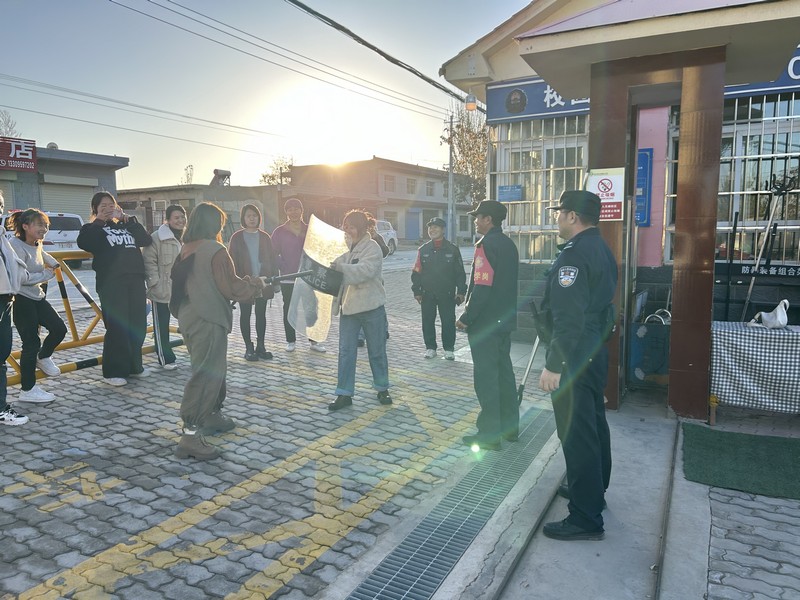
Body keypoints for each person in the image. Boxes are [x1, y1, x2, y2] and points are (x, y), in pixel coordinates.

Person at [538, 190, 618, 542]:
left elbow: (569, 319)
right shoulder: (600, 247)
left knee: (577, 435)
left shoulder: (574, 256)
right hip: (593, 352)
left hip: (573, 356)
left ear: (572, 216)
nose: (557, 219)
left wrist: (554, 365)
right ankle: (594, 490)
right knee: (594, 424)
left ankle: (585, 517)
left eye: (560, 213)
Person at [170, 202, 266, 460]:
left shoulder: (187, 248)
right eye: (221, 223)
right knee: (205, 375)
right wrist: (255, 284)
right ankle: (190, 436)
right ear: (214, 224)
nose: (222, 228)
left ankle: (212, 415)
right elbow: (232, 287)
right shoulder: (215, 250)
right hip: (208, 318)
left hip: (190, 316)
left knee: (212, 369)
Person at [456, 200, 519, 451]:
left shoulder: (485, 245)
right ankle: (510, 429)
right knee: (504, 375)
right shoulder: (508, 244)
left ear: (488, 219)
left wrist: (466, 317)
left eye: (478, 217)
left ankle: (489, 434)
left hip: (486, 324)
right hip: (504, 322)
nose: (475, 221)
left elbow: (481, 287)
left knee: (487, 379)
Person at [77, 191, 152, 387]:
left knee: (137, 325)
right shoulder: (92, 228)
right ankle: (114, 371)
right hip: (112, 283)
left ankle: (134, 366)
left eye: (111, 205)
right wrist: (100, 221)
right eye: (103, 206)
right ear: (95, 209)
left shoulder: (125, 225)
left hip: (135, 280)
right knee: (118, 327)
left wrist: (128, 219)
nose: (108, 209)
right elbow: (85, 243)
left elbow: (145, 240)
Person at [328, 209, 392, 411]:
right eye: (345, 226)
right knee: (346, 352)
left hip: (372, 307)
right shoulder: (343, 247)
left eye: (352, 227)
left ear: (363, 228)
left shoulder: (372, 247)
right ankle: (344, 393)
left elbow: (365, 271)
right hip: (349, 308)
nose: (347, 230)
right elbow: (333, 267)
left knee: (377, 351)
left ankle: (382, 388)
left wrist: (339, 269)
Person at [9, 209, 67, 403]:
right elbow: (21, 278)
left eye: (46, 225)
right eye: (40, 225)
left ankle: (43, 357)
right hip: (21, 299)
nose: (44, 229)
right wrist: (46, 274)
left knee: (59, 329)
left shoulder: (36, 242)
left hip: (36, 296)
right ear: (25, 226)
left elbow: (40, 253)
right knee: (31, 343)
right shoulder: (15, 245)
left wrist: (53, 263)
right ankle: (27, 390)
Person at [271, 196, 326, 353]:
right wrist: (283, 266)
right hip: (287, 278)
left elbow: (318, 250)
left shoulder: (310, 229)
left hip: (308, 277)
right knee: (290, 309)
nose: (293, 212)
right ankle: (290, 341)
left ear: (302, 210)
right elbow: (272, 253)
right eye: (290, 209)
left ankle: (314, 341)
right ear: (286, 212)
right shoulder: (279, 232)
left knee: (311, 308)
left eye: (296, 209)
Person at [411, 217, 467, 360]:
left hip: (447, 293)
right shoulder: (423, 250)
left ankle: (449, 349)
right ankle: (430, 348)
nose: (432, 230)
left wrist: (461, 291)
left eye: (436, 227)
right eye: (430, 227)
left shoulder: (452, 249)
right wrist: (417, 291)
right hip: (427, 293)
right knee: (427, 321)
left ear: (443, 230)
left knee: (448, 321)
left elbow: (460, 273)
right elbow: (416, 272)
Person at [228, 204, 277, 361]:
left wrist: (274, 280)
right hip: (246, 283)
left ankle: (261, 346)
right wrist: (236, 282)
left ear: (259, 217)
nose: (251, 218)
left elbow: (272, 259)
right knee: (245, 314)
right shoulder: (237, 237)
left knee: (261, 314)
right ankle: (248, 348)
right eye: (248, 216)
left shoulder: (265, 237)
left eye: (254, 215)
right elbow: (232, 261)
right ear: (243, 218)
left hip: (263, 281)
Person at [143, 204, 186, 370]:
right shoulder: (157, 238)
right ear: (167, 220)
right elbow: (149, 261)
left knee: (189, 321)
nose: (180, 220)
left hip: (183, 288)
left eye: (182, 217)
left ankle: (194, 351)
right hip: (162, 288)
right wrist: (154, 283)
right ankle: (165, 358)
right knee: (161, 325)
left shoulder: (188, 237)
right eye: (176, 217)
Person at [0, 190, 29, 426]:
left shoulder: (1, 234)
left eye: (0, 204)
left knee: (2, 354)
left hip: (6, 299)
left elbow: (12, 265)